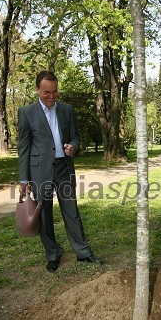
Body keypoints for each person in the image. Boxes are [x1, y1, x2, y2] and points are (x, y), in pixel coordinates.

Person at [18, 70, 101, 272]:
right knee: (44, 215)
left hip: (63, 167)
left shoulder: (66, 109)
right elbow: (24, 147)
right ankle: (53, 254)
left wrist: (73, 146)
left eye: (55, 92)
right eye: (47, 92)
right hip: (40, 171)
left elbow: (75, 137)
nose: (52, 96)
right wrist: (23, 179)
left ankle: (83, 252)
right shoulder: (27, 113)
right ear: (37, 90)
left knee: (71, 211)